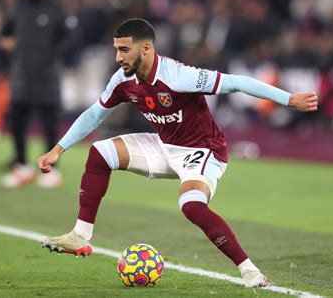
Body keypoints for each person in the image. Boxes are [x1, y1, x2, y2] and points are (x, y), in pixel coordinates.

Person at [37, 18, 318, 287]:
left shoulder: (180, 76)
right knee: (100, 153)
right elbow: (94, 114)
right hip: (163, 145)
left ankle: (249, 271)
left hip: (203, 150)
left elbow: (237, 82)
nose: (118, 58)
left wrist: (288, 99)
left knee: (192, 206)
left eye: (124, 50)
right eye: (116, 50)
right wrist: (58, 150)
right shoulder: (123, 79)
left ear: (146, 48)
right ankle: (80, 235)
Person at [0, 0, 70, 188]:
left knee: (49, 124)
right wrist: (13, 47)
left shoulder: (57, 5)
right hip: (22, 73)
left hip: (47, 74)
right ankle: (21, 168)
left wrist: (51, 57)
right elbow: (5, 34)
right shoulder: (18, 5)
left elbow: (69, 37)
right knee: (18, 122)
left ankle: (51, 171)